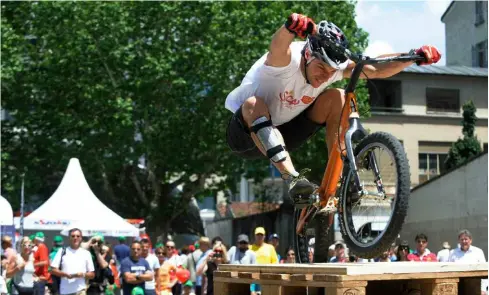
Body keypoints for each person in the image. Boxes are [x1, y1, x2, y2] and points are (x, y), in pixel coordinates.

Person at [224, 12, 441, 211]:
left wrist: (413, 56)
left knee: (337, 96)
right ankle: (293, 180)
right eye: (321, 69)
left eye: (331, 72)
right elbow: (277, 46)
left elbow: (376, 68)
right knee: (254, 103)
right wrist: (290, 27)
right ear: (308, 55)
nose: (325, 77)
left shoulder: (332, 68)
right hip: (245, 134)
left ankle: (334, 183)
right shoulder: (285, 61)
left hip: (287, 130)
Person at [50, 228, 95, 295]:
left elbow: (92, 274)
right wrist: (65, 275)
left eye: (78, 236)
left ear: (81, 238)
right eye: (73, 236)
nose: (75, 238)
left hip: (80, 290)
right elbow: (53, 270)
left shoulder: (86, 253)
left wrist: (83, 274)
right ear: (69, 238)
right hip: (65, 291)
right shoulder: (62, 251)